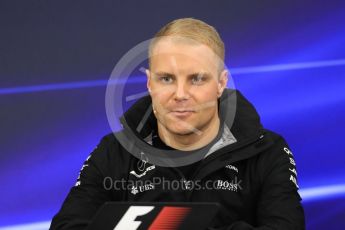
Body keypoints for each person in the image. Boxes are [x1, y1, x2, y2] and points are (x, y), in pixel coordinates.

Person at [50, 18, 305, 229]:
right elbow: (67, 226)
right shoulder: (114, 150)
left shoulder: (268, 151)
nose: (180, 94)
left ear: (221, 83)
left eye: (196, 79)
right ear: (150, 83)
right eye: (167, 79)